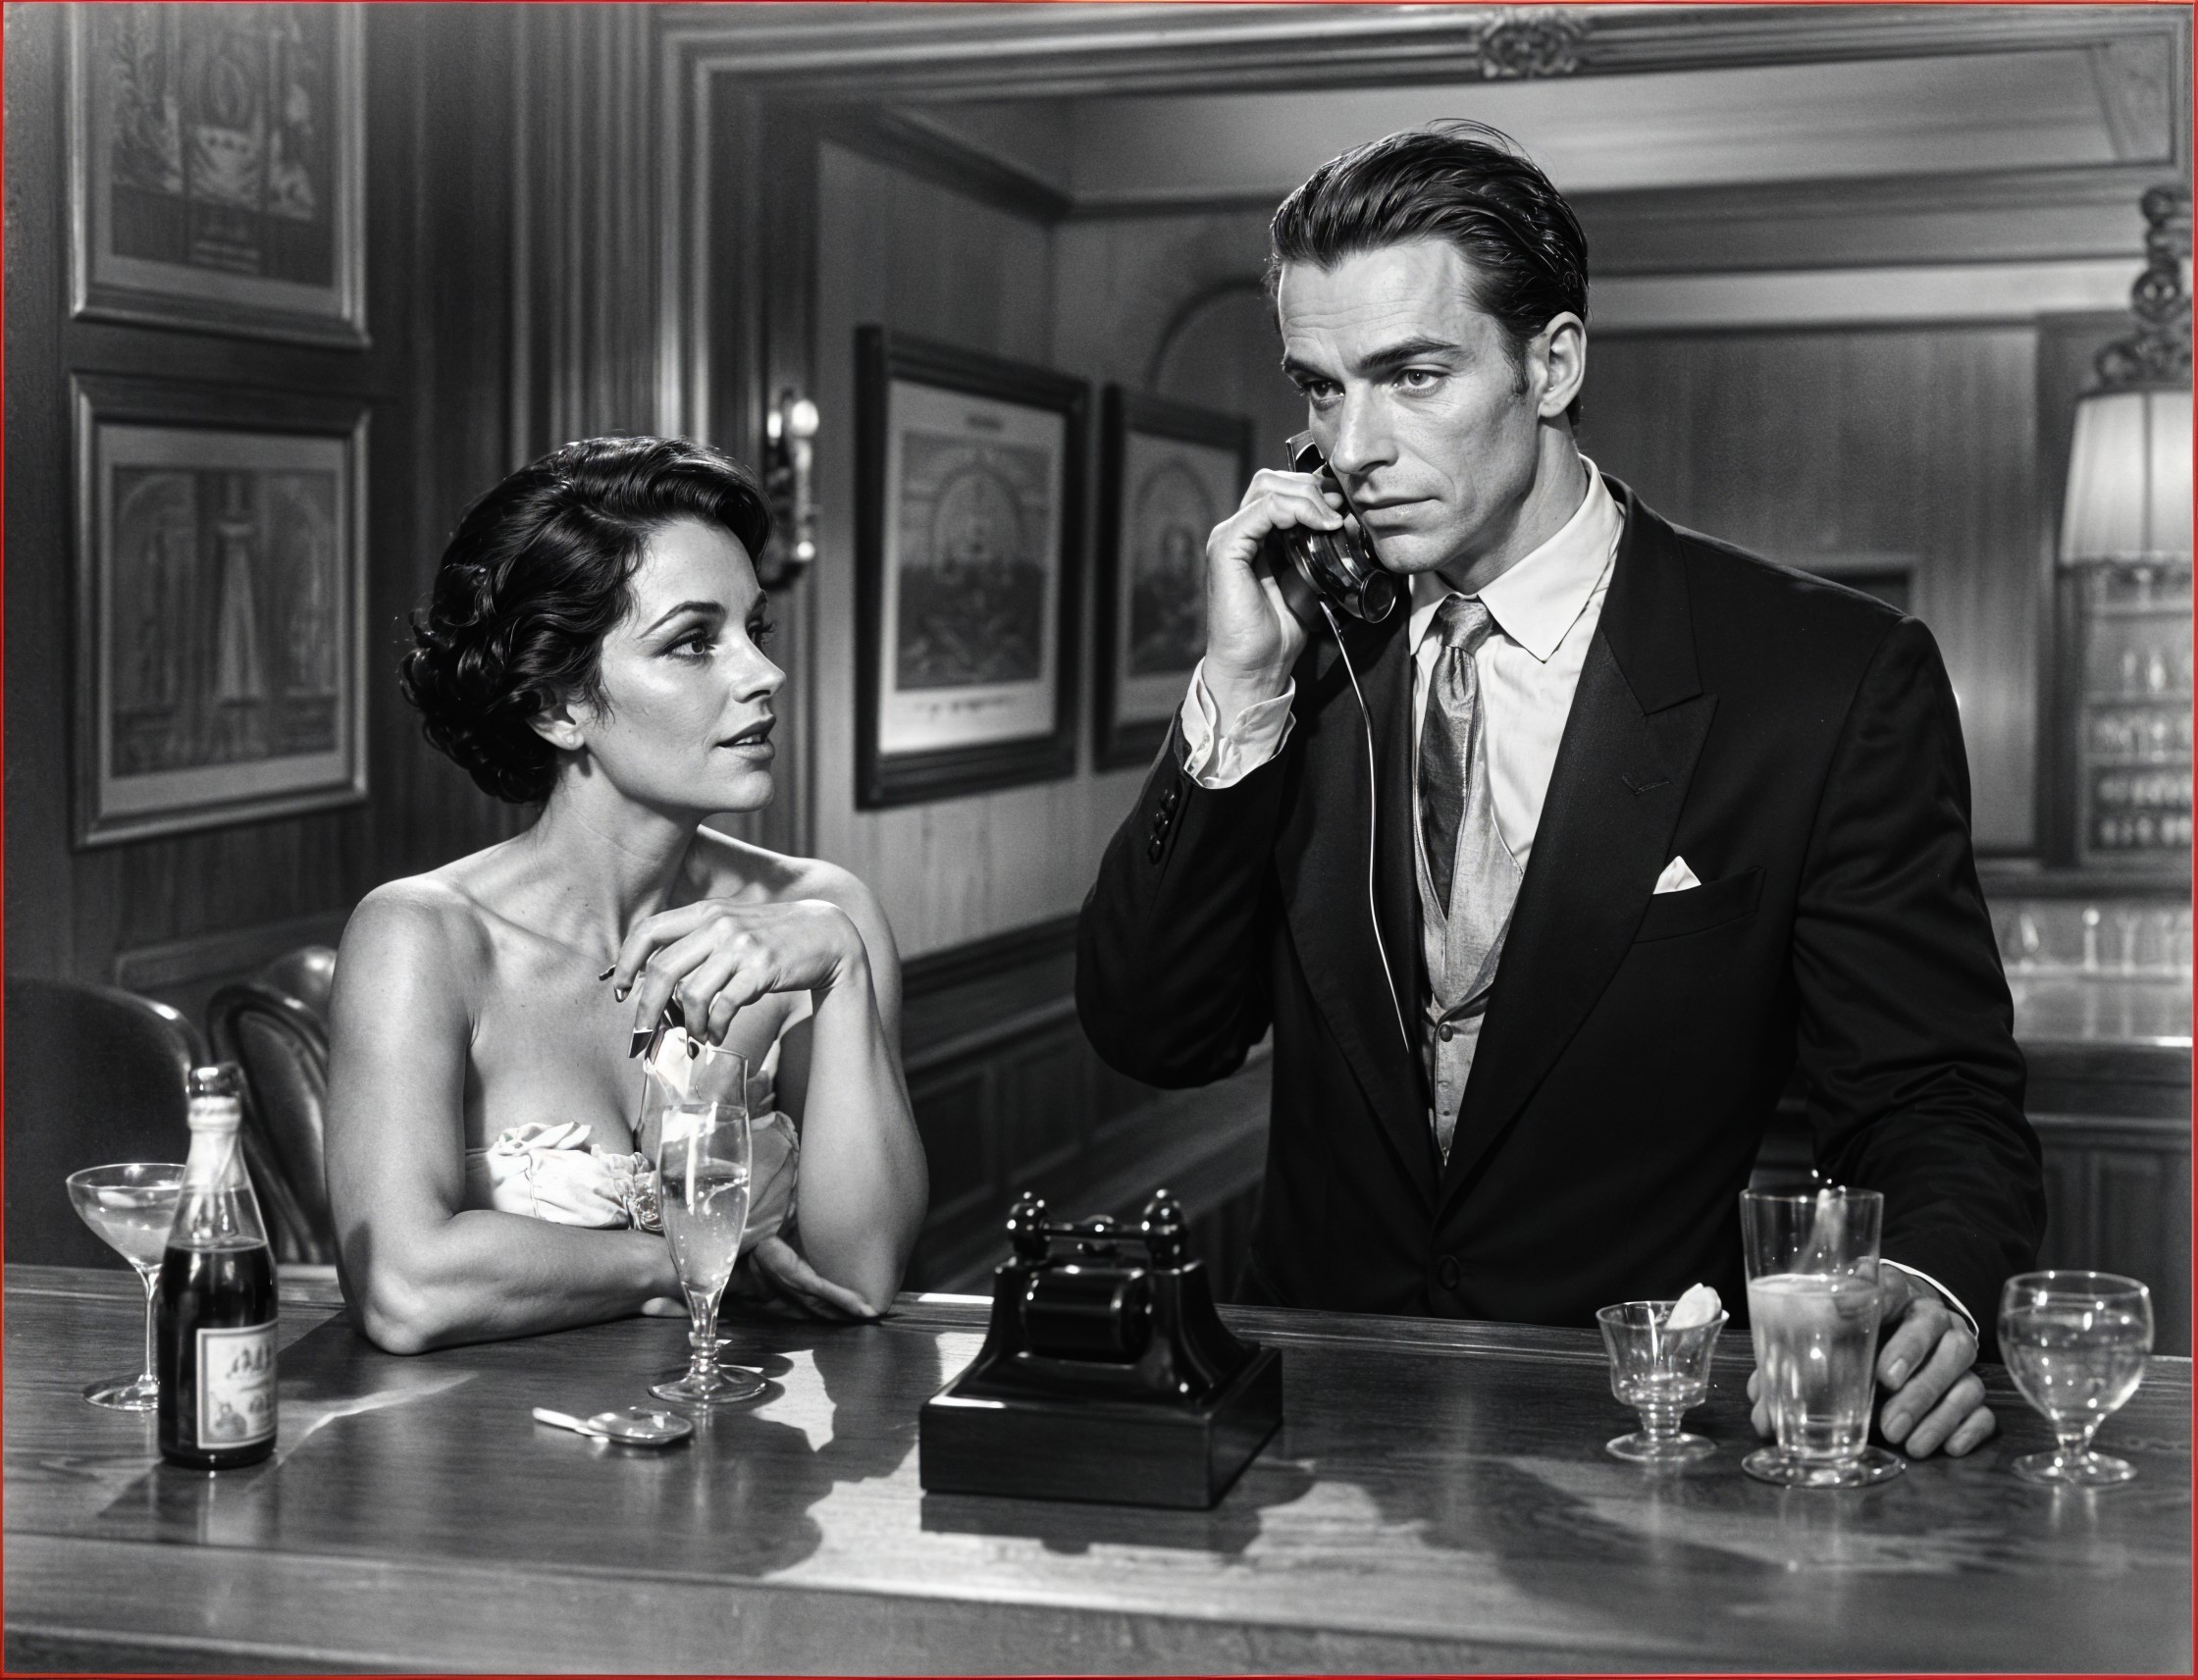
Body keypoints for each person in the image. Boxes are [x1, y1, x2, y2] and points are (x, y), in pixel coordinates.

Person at [1076, 124, 2043, 1460]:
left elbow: (1935, 1097)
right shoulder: (1302, 653)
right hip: (1315, 1421)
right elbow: (1153, 1029)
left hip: (1643, 1426)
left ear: (1552, 363)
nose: (1353, 447)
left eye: (1413, 377)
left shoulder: (1820, 679)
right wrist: (1238, 695)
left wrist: (1923, 1287)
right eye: (1319, 388)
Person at [327, 436, 927, 1353]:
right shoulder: (423, 937)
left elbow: (862, 1276)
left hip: (746, 1457)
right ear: (556, 704)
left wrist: (842, 967)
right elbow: (405, 1286)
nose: (762, 675)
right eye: (694, 641)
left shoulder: (821, 915)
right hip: (486, 1470)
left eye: (753, 631)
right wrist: (695, 1253)